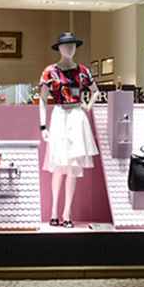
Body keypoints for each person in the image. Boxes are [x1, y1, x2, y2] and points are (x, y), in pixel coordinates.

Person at [39, 32, 100, 229]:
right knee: (58, 164)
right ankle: (54, 211)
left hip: (76, 115)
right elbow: (42, 98)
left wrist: (88, 106)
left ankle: (67, 213)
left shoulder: (83, 71)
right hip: (58, 116)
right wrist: (42, 126)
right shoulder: (50, 71)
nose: (70, 49)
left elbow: (95, 90)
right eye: (66, 45)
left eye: (72, 45)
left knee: (73, 166)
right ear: (59, 48)